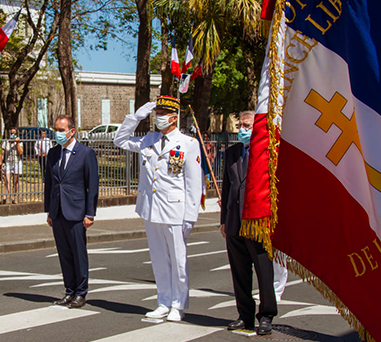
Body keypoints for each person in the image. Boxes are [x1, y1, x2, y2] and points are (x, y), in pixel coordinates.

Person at [114, 96, 202, 322]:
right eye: (157, 113)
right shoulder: (148, 140)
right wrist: (136, 117)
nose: (158, 118)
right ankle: (163, 301)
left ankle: (178, 305)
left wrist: (190, 216)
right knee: (159, 258)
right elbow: (120, 140)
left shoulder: (188, 144)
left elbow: (194, 183)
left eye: (162, 114)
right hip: (150, 208)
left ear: (174, 117)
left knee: (178, 260)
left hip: (175, 210)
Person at [220, 111, 277, 335]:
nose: (243, 129)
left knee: (264, 272)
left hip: (258, 223)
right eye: (241, 125)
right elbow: (227, 189)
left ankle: (266, 315)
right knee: (240, 273)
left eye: (248, 125)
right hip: (235, 222)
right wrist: (223, 221)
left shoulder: (267, 152)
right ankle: (245, 315)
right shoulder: (232, 152)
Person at [44, 115, 99, 309]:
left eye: (61, 130)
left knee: (78, 253)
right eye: (55, 130)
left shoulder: (85, 153)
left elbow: (92, 186)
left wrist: (90, 213)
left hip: (76, 211)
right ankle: (69, 291)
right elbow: (49, 184)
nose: (57, 134)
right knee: (64, 254)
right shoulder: (52, 154)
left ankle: (81, 292)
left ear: (72, 131)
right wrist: (49, 211)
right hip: (58, 211)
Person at [0, 127, 23, 204]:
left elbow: (20, 152)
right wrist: (0, 163)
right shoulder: (6, 143)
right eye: (11, 133)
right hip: (8, 162)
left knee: (15, 181)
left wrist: (17, 143)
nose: (13, 135)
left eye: (14, 133)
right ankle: (5, 197)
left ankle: (13, 197)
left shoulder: (19, 142)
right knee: (7, 181)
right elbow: (2, 154)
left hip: (16, 162)